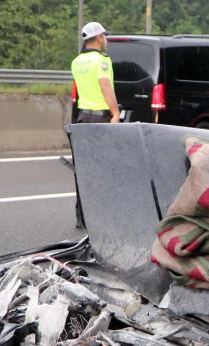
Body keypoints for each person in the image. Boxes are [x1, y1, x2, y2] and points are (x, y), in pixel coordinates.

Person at [69, 21, 119, 229]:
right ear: (98, 38)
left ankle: (81, 214)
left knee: (83, 168)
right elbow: (105, 87)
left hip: (83, 119)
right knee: (102, 168)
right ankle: (100, 214)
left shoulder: (76, 62)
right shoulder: (102, 61)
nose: (106, 40)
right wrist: (115, 113)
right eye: (104, 36)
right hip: (101, 119)